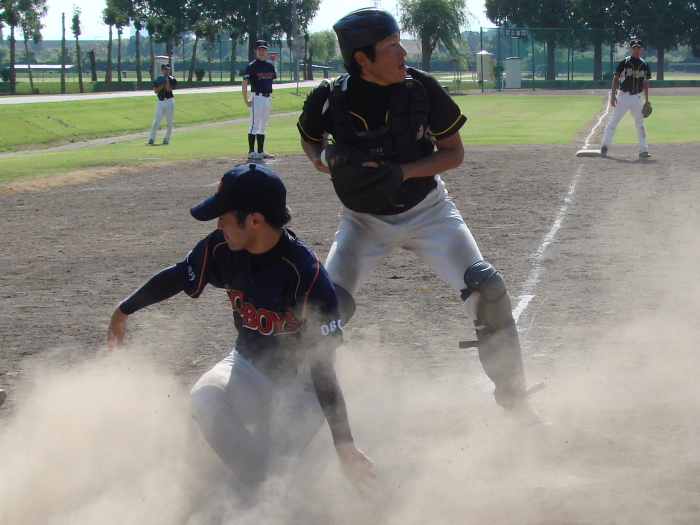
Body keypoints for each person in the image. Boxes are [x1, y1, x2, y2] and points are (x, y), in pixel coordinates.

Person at [297, 7, 548, 428]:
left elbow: (454, 152)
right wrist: (324, 159)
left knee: (487, 291)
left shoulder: (421, 88)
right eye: (391, 46)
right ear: (362, 58)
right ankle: (303, 410)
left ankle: (516, 401)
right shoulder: (331, 98)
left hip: (429, 210)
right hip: (363, 220)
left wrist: (403, 171)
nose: (403, 53)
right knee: (325, 309)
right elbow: (310, 140)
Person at [107, 164, 375, 495]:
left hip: (301, 384)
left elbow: (323, 370)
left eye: (224, 217)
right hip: (247, 364)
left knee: (275, 465)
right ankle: (262, 486)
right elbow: (177, 276)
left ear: (255, 220)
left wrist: (344, 444)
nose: (218, 225)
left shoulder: (306, 275)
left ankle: (267, 487)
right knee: (206, 399)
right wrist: (124, 310)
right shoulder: (221, 247)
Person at [600, 38, 652, 158]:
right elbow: (616, 79)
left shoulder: (644, 65)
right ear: (630, 49)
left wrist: (647, 100)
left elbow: (645, 83)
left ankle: (643, 149)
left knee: (640, 124)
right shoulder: (624, 63)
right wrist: (613, 95)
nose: (636, 50)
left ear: (642, 50)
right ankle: (605, 146)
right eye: (634, 48)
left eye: (638, 48)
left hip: (637, 97)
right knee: (614, 121)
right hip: (623, 96)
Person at [242, 40, 277, 160]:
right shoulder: (252, 66)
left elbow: (270, 81)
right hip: (256, 97)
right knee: (254, 124)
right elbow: (245, 82)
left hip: (267, 98)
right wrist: (246, 99)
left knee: (263, 125)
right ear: (255, 51)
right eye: (259, 50)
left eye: (263, 50)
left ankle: (261, 151)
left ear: (266, 51)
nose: (261, 52)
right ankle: (251, 151)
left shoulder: (269, 66)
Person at [146, 63, 177, 145]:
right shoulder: (158, 79)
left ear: (169, 70)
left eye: (167, 69)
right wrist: (162, 85)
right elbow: (156, 91)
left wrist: (167, 80)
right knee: (156, 121)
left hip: (169, 101)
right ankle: (151, 139)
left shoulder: (172, 79)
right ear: (162, 70)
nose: (166, 71)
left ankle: (166, 139)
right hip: (160, 101)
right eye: (164, 69)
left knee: (169, 122)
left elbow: (168, 89)